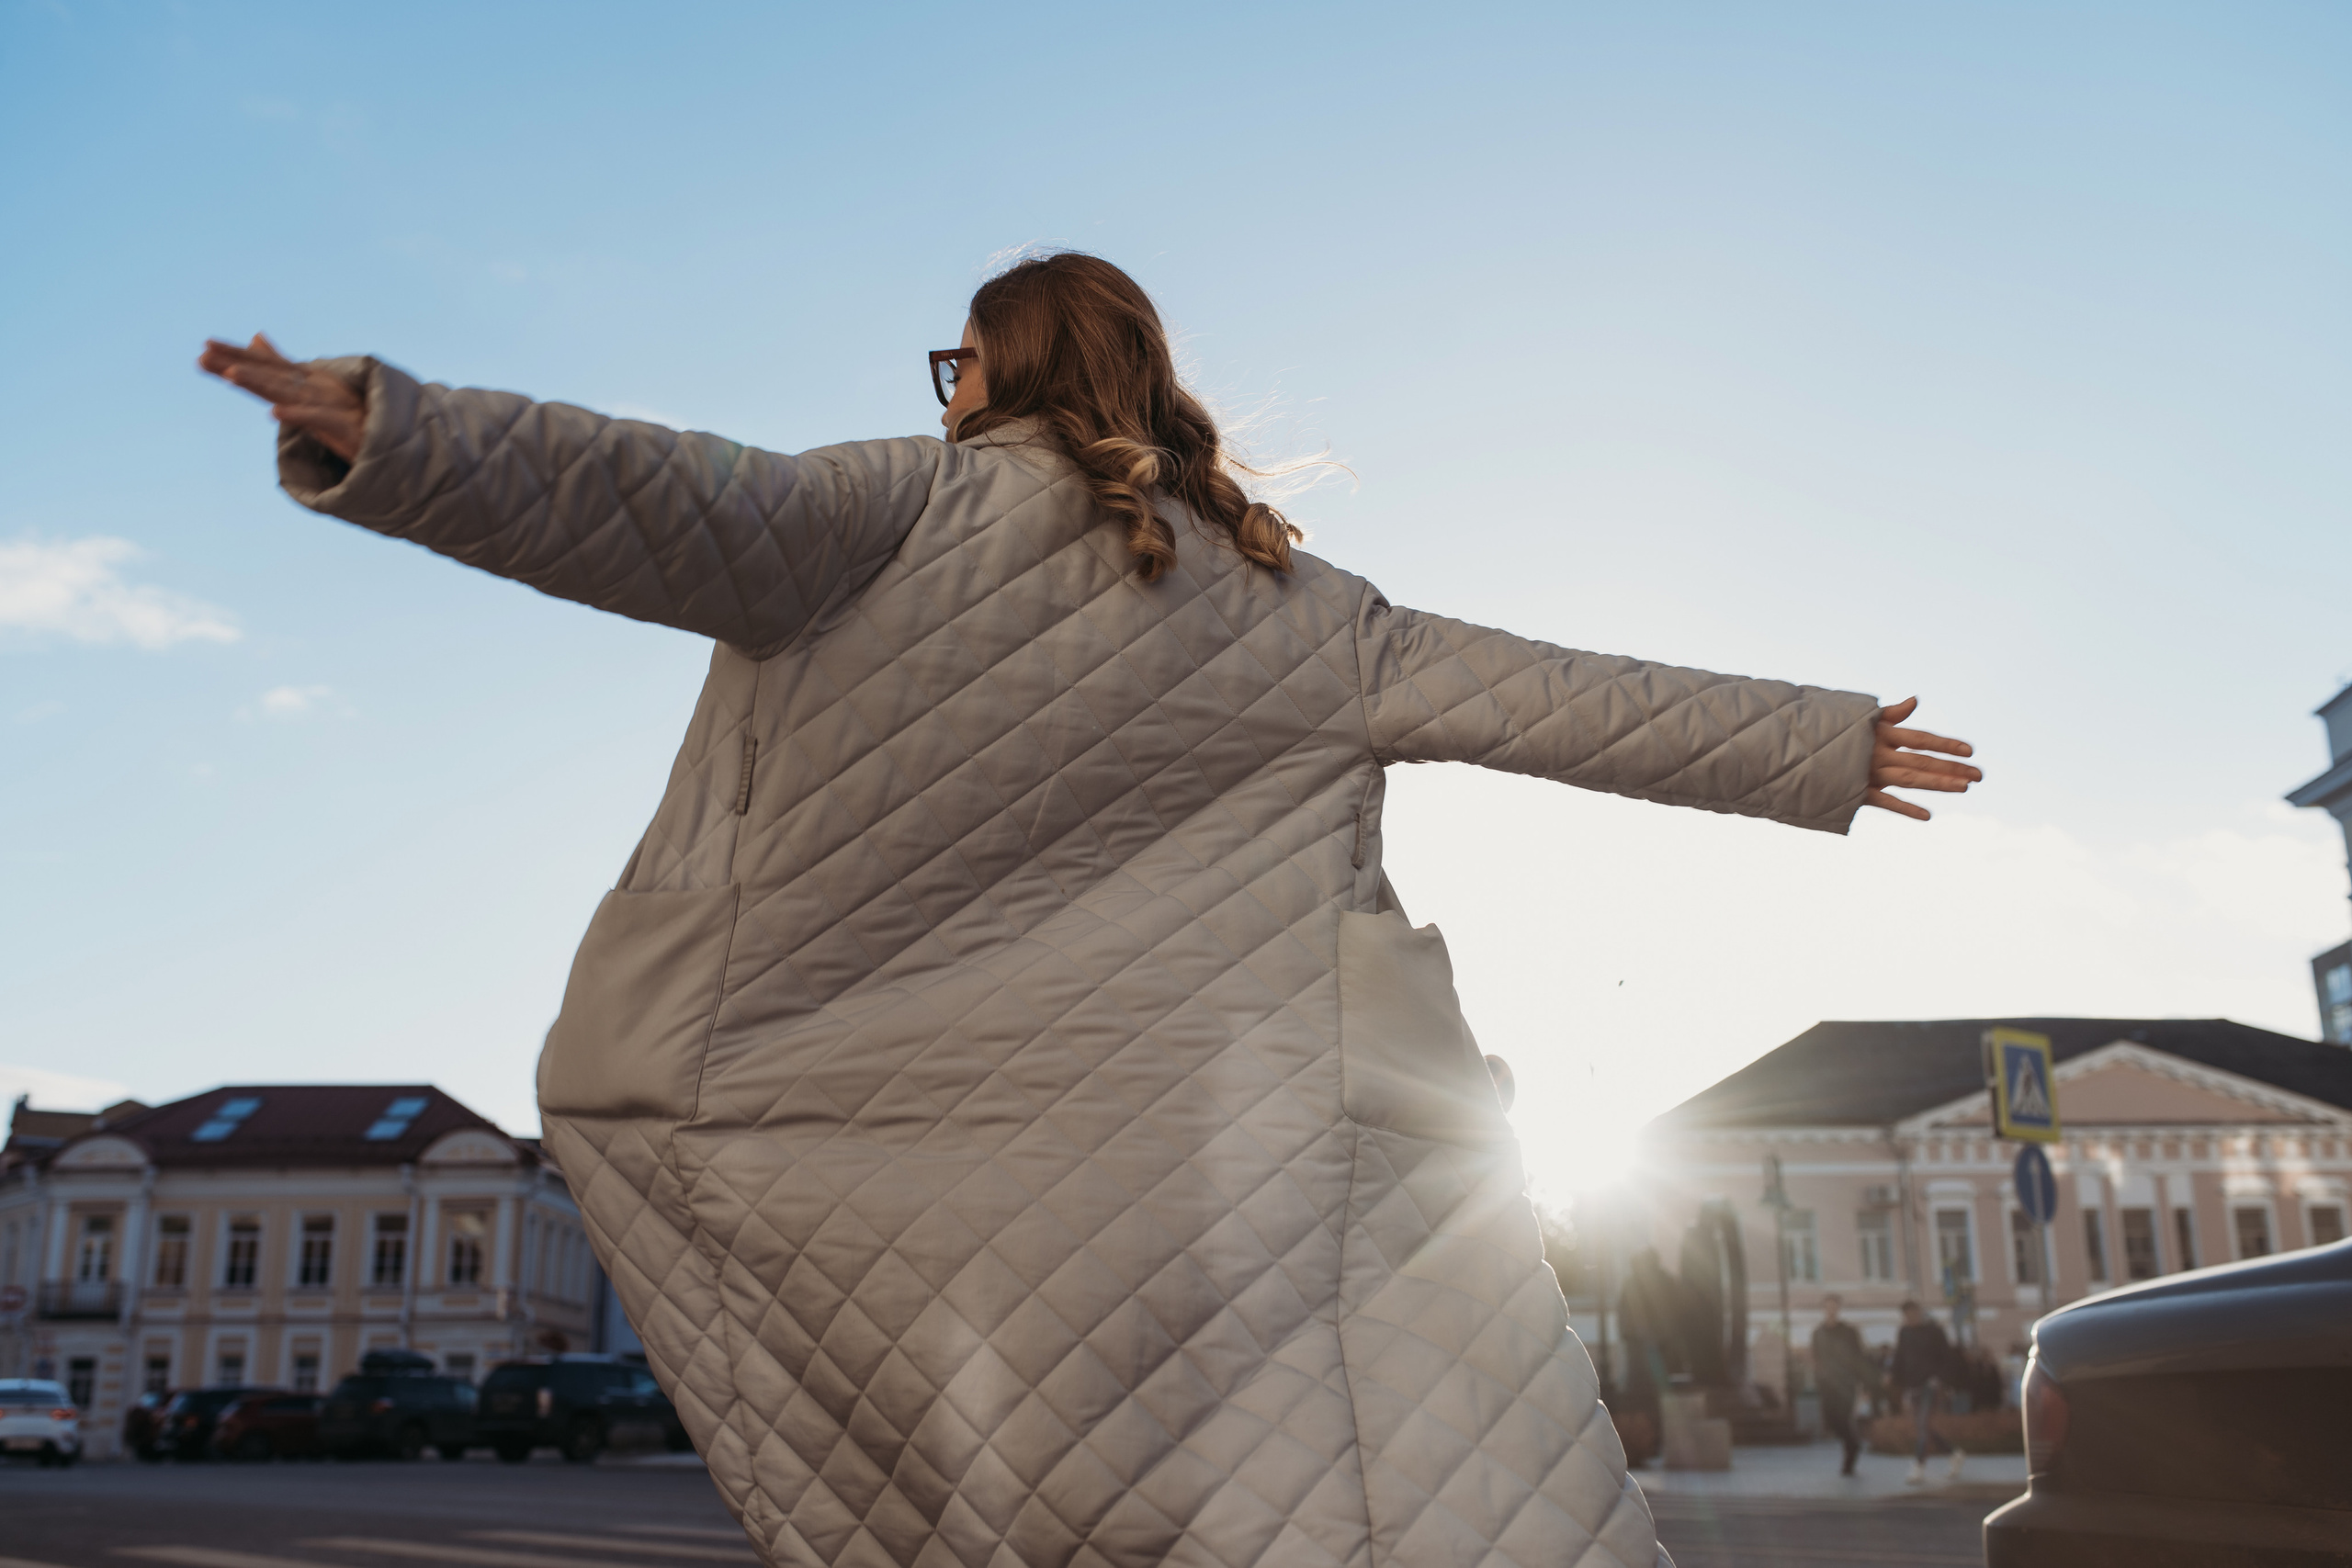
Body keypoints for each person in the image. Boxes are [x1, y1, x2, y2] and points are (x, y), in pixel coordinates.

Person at [198, 252, 1981, 1568]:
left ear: (990, 369)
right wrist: (1820, 742)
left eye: (950, 358)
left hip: (869, 1135)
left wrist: (402, 433)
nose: (938, 387)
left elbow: (657, 496)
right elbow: (1554, 692)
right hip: (1215, 1174)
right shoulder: (1307, 610)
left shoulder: (880, 514)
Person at [1891, 1299, 1967, 1483]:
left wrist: (1939, 1379)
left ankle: (1918, 1467)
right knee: (1923, 1426)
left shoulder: (1934, 1332)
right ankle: (1954, 1453)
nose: (1910, 1317)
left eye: (1913, 1313)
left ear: (1920, 1312)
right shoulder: (1904, 1332)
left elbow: (1946, 1357)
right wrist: (1895, 1383)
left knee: (1923, 1424)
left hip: (1930, 1385)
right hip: (1913, 1386)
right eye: (1907, 1315)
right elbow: (1900, 1358)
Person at [1809, 1293, 1874, 1476]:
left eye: (1834, 1307)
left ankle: (1849, 1458)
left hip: (1846, 1383)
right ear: (1824, 1309)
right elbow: (1816, 1358)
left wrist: (1865, 1383)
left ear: (1838, 1309)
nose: (1831, 1310)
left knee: (1844, 1418)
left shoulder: (1849, 1332)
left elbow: (1859, 1357)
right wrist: (1819, 1378)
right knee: (1831, 1420)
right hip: (1827, 1384)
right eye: (1827, 1307)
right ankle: (1853, 1444)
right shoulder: (1817, 1333)